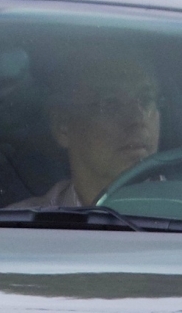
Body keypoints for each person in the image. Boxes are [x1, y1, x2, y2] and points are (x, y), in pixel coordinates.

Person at [12, 46, 160, 209]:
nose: (138, 119)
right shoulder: (21, 229)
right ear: (63, 126)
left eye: (146, 100)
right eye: (110, 104)